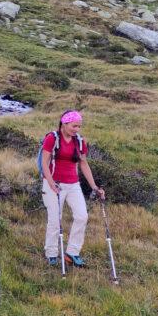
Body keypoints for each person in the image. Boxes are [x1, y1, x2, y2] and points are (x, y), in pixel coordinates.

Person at [40, 110, 104, 267]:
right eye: (74, 126)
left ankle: (72, 253)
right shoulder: (52, 138)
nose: (77, 129)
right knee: (55, 220)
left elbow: (83, 163)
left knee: (82, 216)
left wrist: (94, 187)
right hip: (53, 184)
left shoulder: (80, 141)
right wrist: (51, 183)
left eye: (79, 126)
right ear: (64, 123)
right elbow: (44, 163)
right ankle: (51, 253)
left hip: (73, 184)